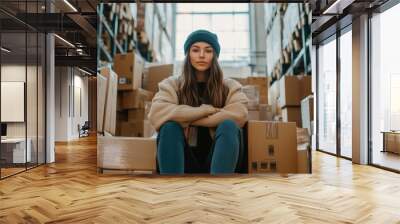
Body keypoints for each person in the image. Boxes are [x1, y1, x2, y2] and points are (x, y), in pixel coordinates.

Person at [148, 29, 248, 175]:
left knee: (229, 126)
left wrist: (188, 119)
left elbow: (239, 115)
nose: (201, 55)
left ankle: (219, 189)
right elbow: (156, 114)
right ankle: (171, 188)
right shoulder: (172, 84)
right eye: (195, 50)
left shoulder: (230, 86)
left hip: (220, 163)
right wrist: (203, 111)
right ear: (188, 54)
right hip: (183, 161)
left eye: (208, 50)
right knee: (169, 128)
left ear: (215, 55)